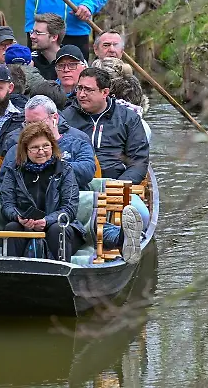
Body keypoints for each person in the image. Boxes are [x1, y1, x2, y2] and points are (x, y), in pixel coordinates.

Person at [61, 67, 149, 261]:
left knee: (142, 215)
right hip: (76, 184)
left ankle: (127, 239)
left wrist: (119, 186)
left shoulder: (128, 118)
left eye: (88, 90)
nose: (81, 94)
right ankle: (112, 238)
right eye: (79, 88)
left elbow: (139, 161)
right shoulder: (65, 118)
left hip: (115, 184)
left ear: (105, 92)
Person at [0, 122, 85, 261]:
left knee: (57, 229)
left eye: (45, 146)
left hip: (58, 226)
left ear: (53, 146)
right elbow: (7, 205)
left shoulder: (65, 170)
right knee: (12, 227)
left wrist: (46, 221)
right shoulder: (13, 170)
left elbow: (69, 208)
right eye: (34, 147)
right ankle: (13, 271)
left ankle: (58, 272)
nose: (41, 151)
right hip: (25, 225)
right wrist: (19, 218)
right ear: (25, 150)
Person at [0, 95, 95, 190]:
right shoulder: (16, 149)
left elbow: (87, 172)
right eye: (28, 123)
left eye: (38, 122)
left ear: (55, 118)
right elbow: (2, 185)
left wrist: (51, 166)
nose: (32, 128)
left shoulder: (77, 144)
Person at [29, 13, 64, 80]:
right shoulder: (30, 61)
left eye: (38, 33)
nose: (32, 36)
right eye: (32, 31)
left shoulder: (72, 62)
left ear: (54, 37)